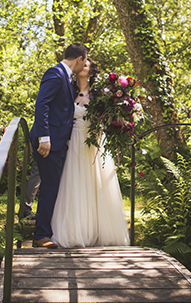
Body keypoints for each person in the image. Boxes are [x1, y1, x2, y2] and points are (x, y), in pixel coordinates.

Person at [51, 58, 130, 248]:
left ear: (91, 70)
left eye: (85, 64)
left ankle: (101, 231)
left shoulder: (101, 94)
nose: (81, 65)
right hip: (74, 141)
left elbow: (112, 116)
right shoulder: (68, 90)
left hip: (95, 142)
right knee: (75, 184)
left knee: (98, 185)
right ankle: (75, 231)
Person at [29, 44, 88, 248]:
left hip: (59, 141)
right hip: (49, 142)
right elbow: (42, 104)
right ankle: (41, 235)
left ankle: (46, 231)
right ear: (80, 59)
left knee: (52, 187)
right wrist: (44, 138)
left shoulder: (68, 78)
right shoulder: (55, 73)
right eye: (85, 61)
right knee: (49, 187)